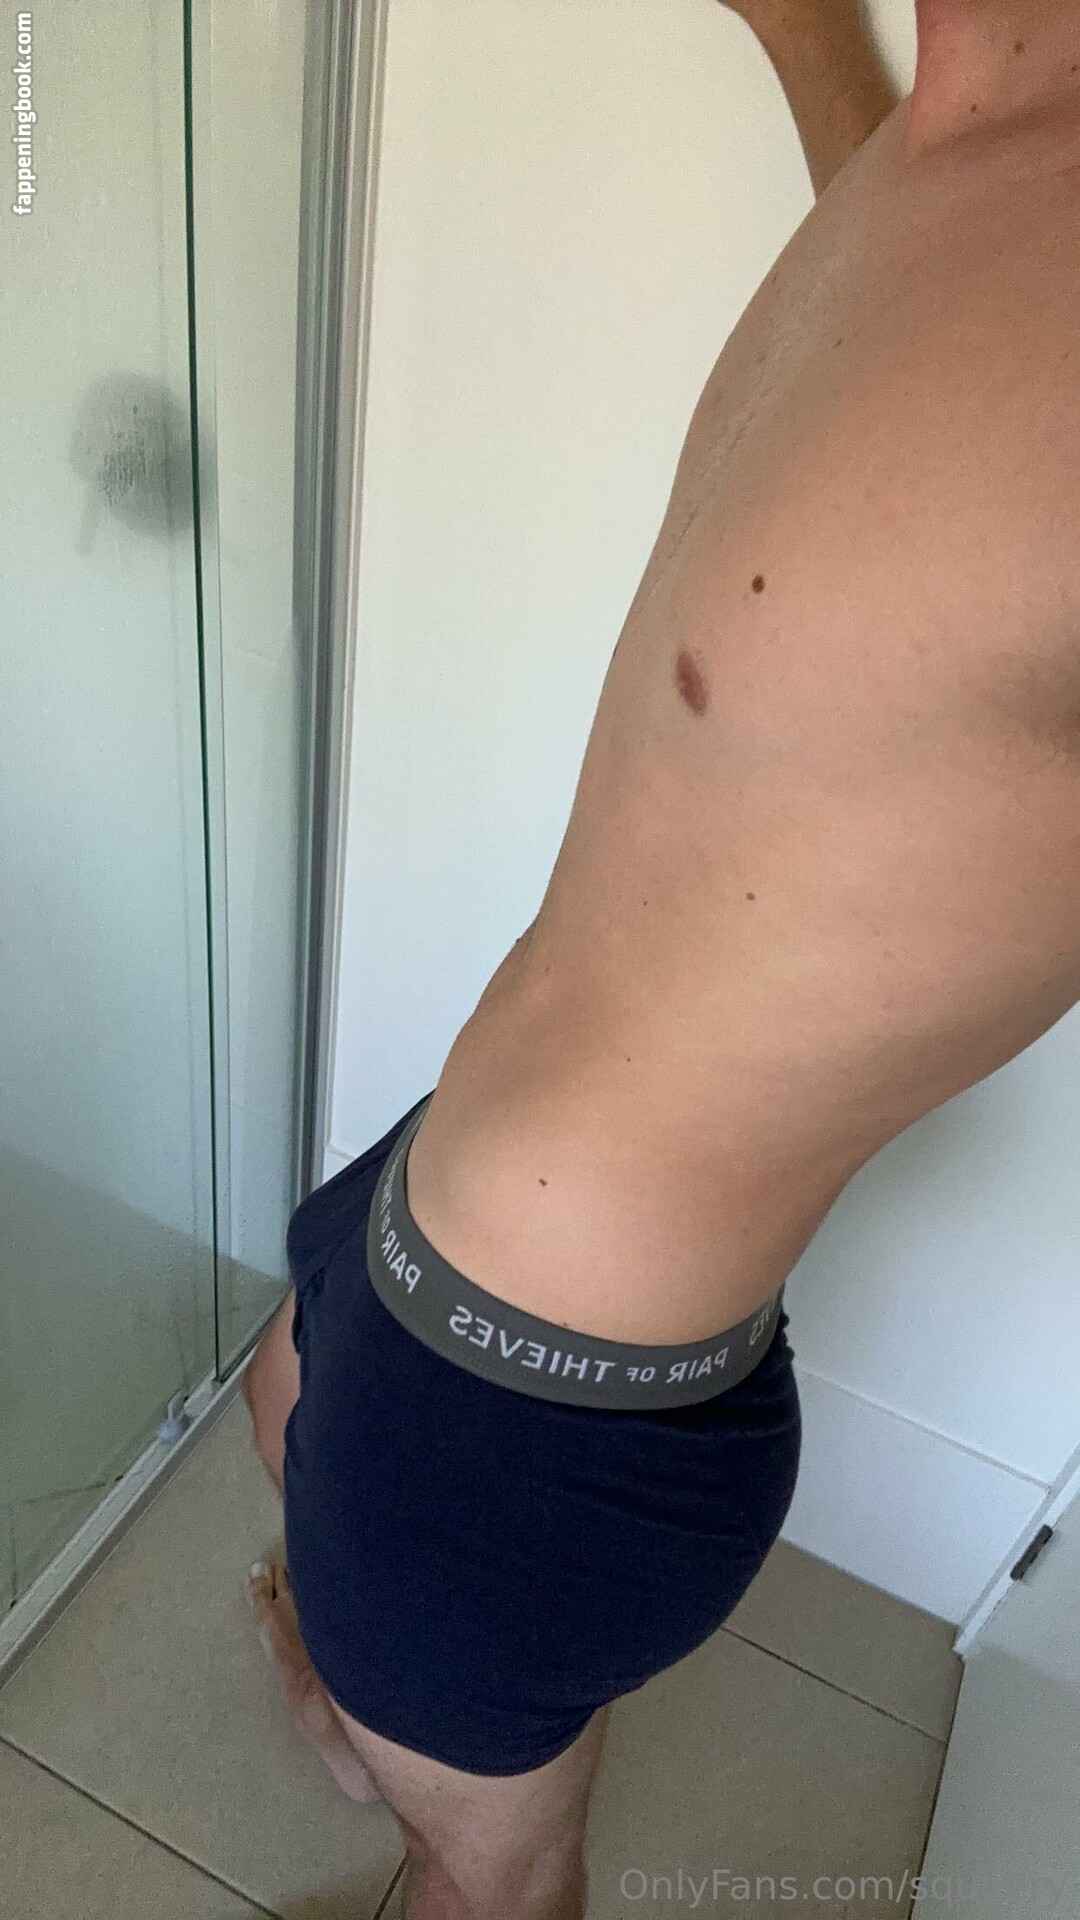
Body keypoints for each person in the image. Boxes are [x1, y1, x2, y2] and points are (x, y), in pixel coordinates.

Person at [243, 3, 1080, 1914]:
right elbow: (932, 407)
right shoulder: (973, 125)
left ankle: (446, 1796)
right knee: (281, 1421)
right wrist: (806, 42)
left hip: (543, 1421)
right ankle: (381, 1723)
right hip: (436, 1197)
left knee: (491, 1877)